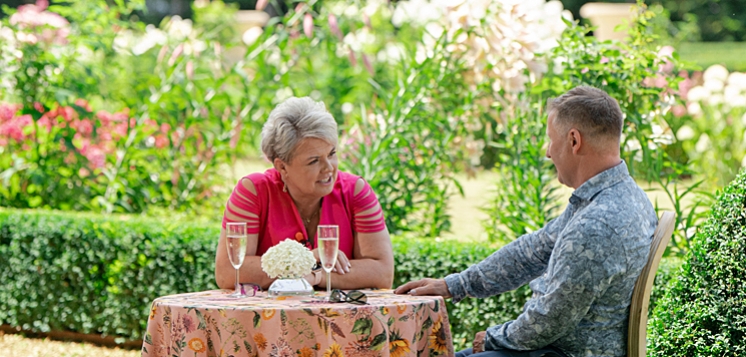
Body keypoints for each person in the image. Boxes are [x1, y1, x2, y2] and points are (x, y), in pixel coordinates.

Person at [395, 86, 658, 357]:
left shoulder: (596, 225)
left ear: (574, 141)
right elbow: (532, 250)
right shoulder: (622, 196)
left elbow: (549, 321)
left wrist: (492, 339)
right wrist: (455, 285)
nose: (547, 152)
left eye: (551, 140)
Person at [215, 97, 394, 291]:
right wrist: (308, 260)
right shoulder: (253, 191)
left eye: (332, 154)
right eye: (314, 161)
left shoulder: (356, 191)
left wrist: (316, 274)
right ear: (282, 166)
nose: (329, 168)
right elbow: (228, 272)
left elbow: (382, 273)